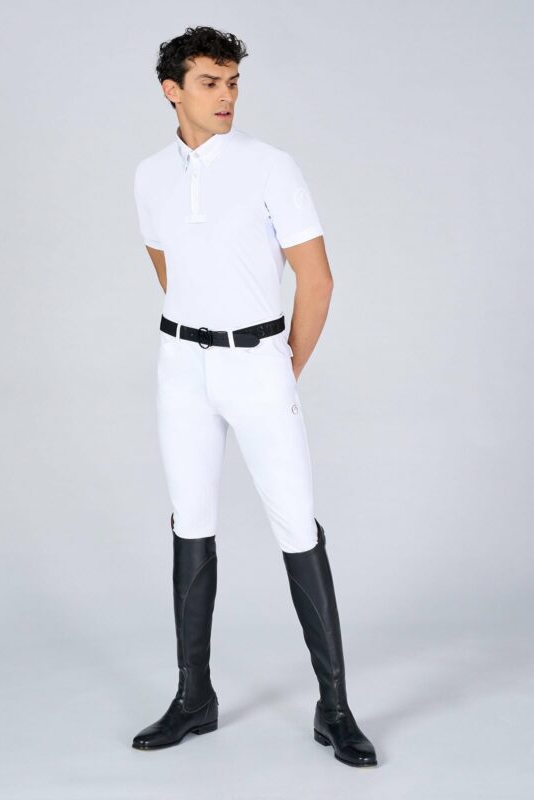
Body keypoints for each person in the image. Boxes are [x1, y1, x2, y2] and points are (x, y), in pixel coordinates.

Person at [131, 25, 377, 768]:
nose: (227, 95)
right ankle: (193, 697)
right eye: (210, 82)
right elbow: (168, 267)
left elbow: (317, 279)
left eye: (233, 82)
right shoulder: (149, 175)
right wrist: (198, 339)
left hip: (258, 360)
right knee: (190, 522)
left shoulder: (271, 166)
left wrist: (278, 366)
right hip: (180, 364)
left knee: (296, 524)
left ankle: (335, 709)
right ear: (172, 90)